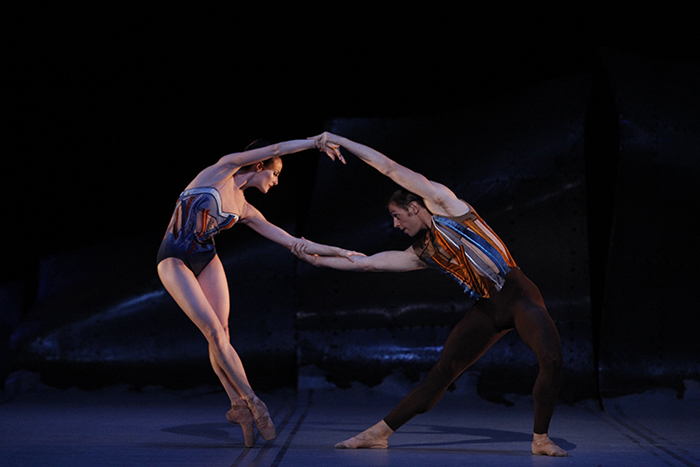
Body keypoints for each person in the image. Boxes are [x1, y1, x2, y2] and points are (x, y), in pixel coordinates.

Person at [296, 132, 568, 457]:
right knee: (442, 373)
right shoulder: (421, 252)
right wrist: (312, 256)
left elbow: (389, 167)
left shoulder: (445, 205)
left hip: (520, 296)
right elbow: (366, 264)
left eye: (397, 216)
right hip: (488, 309)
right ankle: (378, 433)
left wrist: (338, 139)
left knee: (551, 359)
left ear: (414, 206)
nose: (395, 224)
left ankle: (540, 439)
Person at [156, 137, 356, 447]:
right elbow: (276, 149)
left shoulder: (245, 208)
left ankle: (239, 406)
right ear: (259, 165)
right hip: (173, 258)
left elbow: (291, 241)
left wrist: (340, 252)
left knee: (221, 333)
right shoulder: (220, 170)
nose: (276, 181)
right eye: (275, 174)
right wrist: (315, 142)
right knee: (213, 332)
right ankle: (254, 402)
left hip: (206, 257)